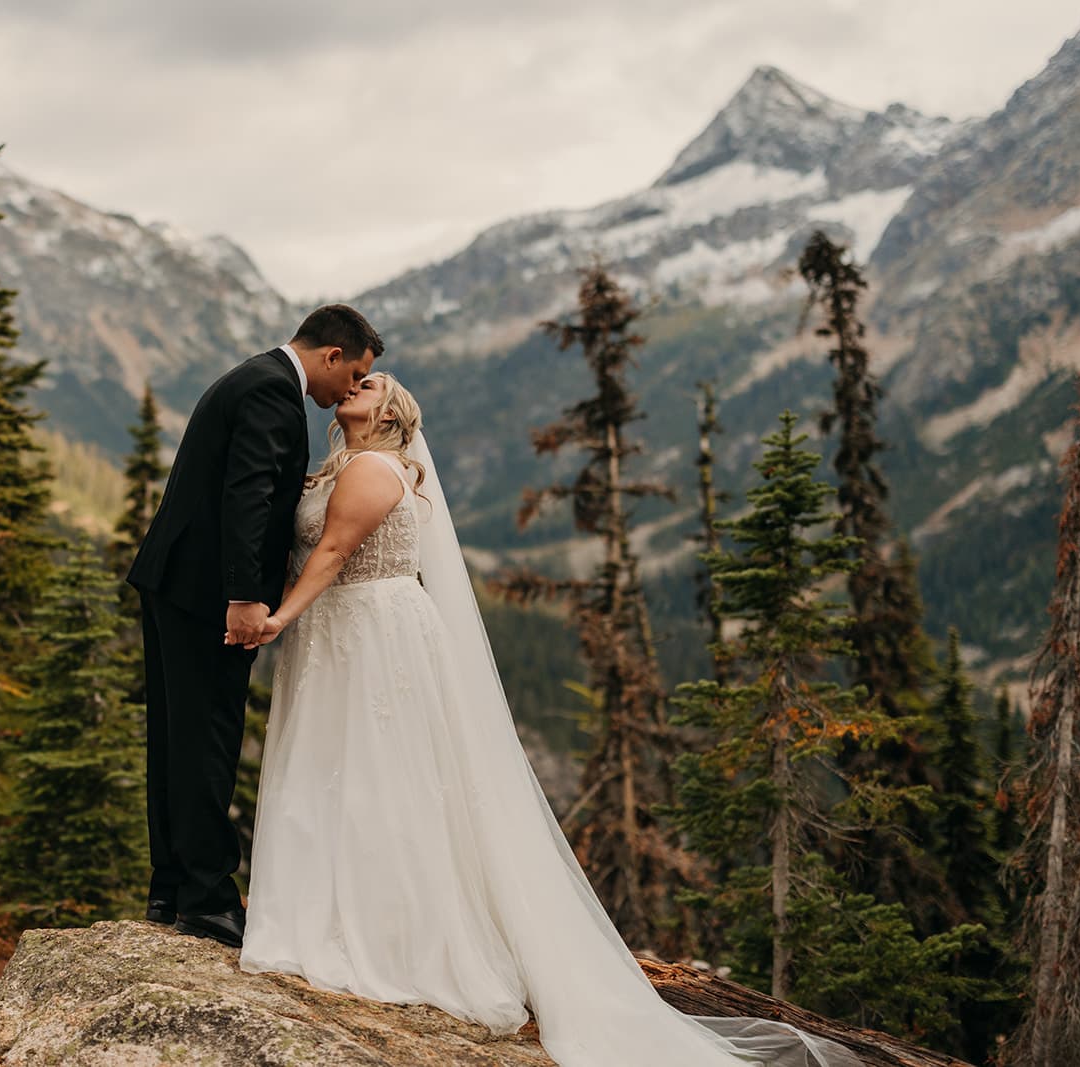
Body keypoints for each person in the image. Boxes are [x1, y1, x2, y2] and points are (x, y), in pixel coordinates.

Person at [236, 372, 860, 1067]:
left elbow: (332, 552)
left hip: (371, 633)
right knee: (334, 774)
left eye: (371, 381)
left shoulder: (377, 470)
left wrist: (279, 619)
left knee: (379, 779)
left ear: (390, 409)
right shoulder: (340, 466)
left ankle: (385, 934)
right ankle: (330, 912)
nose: (355, 383)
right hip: (342, 632)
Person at [126, 303, 382, 949]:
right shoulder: (273, 389)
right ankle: (209, 900)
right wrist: (243, 597)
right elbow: (247, 494)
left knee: (177, 737)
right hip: (208, 593)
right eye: (353, 374)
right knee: (209, 738)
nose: (349, 390)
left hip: (175, 582)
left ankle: (173, 887)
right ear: (331, 354)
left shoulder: (253, 376)